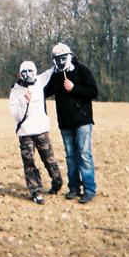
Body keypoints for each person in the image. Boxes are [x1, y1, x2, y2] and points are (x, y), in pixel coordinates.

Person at [43, 43, 98, 203]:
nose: (60, 61)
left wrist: (74, 88)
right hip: (65, 123)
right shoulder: (56, 76)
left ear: (69, 56)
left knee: (84, 155)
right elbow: (44, 91)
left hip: (83, 121)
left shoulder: (82, 71)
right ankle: (74, 187)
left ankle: (89, 189)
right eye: (57, 59)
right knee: (70, 157)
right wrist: (25, 90)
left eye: (63, 58)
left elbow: (93, 92)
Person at [9, 61, 63, 204]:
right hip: (25, 133)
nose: (28, 75)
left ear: (35, 72)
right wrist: (24, 102)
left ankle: (57, 182)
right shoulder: (15, 91)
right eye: (24, 72)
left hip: (41, 130)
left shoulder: (40, 81)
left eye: (30, 71)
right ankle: (36, 191)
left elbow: (53, 70)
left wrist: (63, 58)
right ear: (20, 74)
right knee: (29, 163)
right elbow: (16, 115)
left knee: (49, 159)